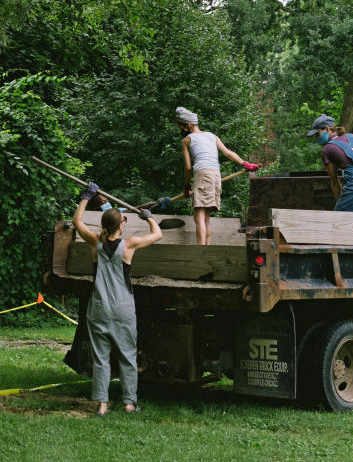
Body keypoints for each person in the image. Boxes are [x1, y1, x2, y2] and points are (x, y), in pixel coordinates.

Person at [73, 182, 163, 416]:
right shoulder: (129, 245)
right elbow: (158, 234)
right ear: (121, 225)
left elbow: (77, 223)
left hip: (99, 307)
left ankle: (102, 404)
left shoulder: (96, 242)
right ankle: (129, 403)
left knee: (101, 358)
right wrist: (149, 217)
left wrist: (86, 197)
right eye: (123, 220)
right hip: (123, 309)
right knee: (127, 356)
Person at [176, 107, 260, 245]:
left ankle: (200, 250)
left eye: (181, 125)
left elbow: (188, 167)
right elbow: (228, 153)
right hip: (215, 175)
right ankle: (206, 249)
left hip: (202, 175)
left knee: (199, 215)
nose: (181, 128)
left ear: (188, 124)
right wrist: (245, 164)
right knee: (206, 216)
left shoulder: (187, 140)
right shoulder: (212, 136)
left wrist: (187, 185)